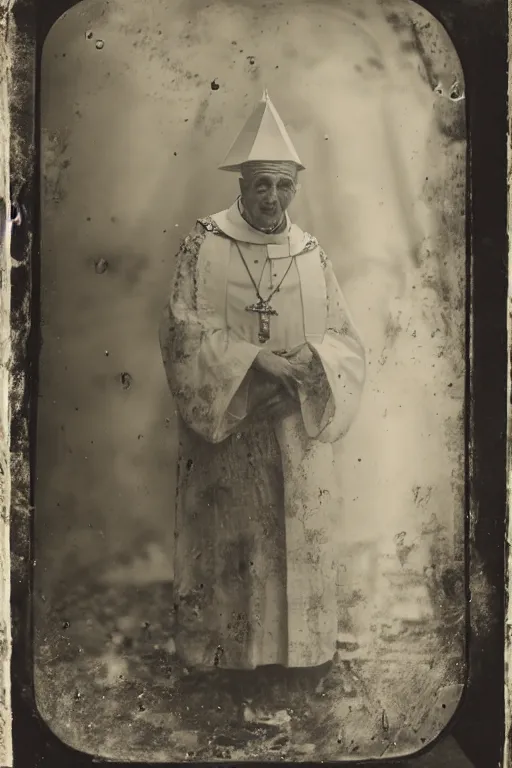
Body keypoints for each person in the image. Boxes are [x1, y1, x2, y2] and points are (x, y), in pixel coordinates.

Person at [159, 90, 366, 715]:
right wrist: (258, 366)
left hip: (291, 423)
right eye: (260, 185)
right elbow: (182, 330)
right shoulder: (203, 242)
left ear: (293, 188)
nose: (271, 197)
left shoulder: (311, 253)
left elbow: (344, 337)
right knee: (233, 537)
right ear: (241, 186)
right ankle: (223, 660)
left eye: (281, 185)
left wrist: (305, 373)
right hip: (231, 423)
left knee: (292, 533)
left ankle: (296, 657)